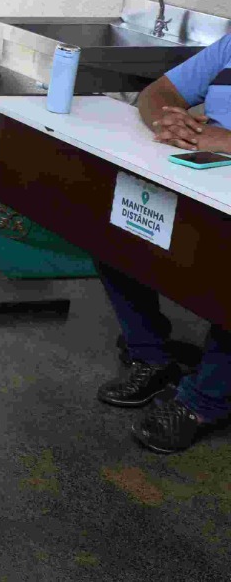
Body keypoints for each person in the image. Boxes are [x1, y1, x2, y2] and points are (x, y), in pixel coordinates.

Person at [93, 33, 231, 454]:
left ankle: (203, 403)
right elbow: (159, 92)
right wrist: (168, 121)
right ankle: (151, 354)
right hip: (203, 175)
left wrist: (227, 140)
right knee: (114, 229)